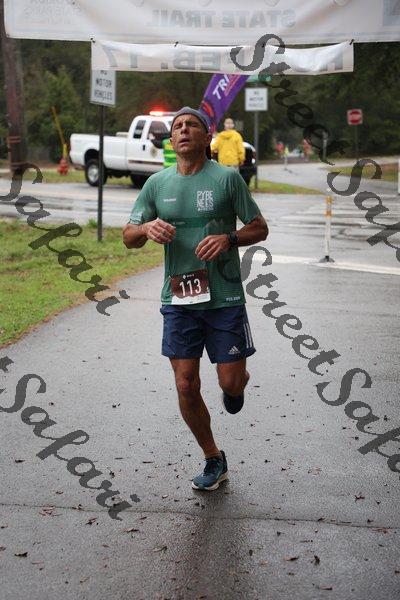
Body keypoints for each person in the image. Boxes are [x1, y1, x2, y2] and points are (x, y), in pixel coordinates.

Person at [123, 107, 268, 491]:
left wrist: (229, 238)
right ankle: (213, 457)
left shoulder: (227, 179)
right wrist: (146, 228)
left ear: (207, 137)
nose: (184, 129)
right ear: (172, 140)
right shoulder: (156, 184)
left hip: (224, 296)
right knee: (186, 384)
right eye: (178, 127)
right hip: (179, 299)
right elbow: (128, 235)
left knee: (230, 383)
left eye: (192, 125)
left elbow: (259, 227)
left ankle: (237, 382)